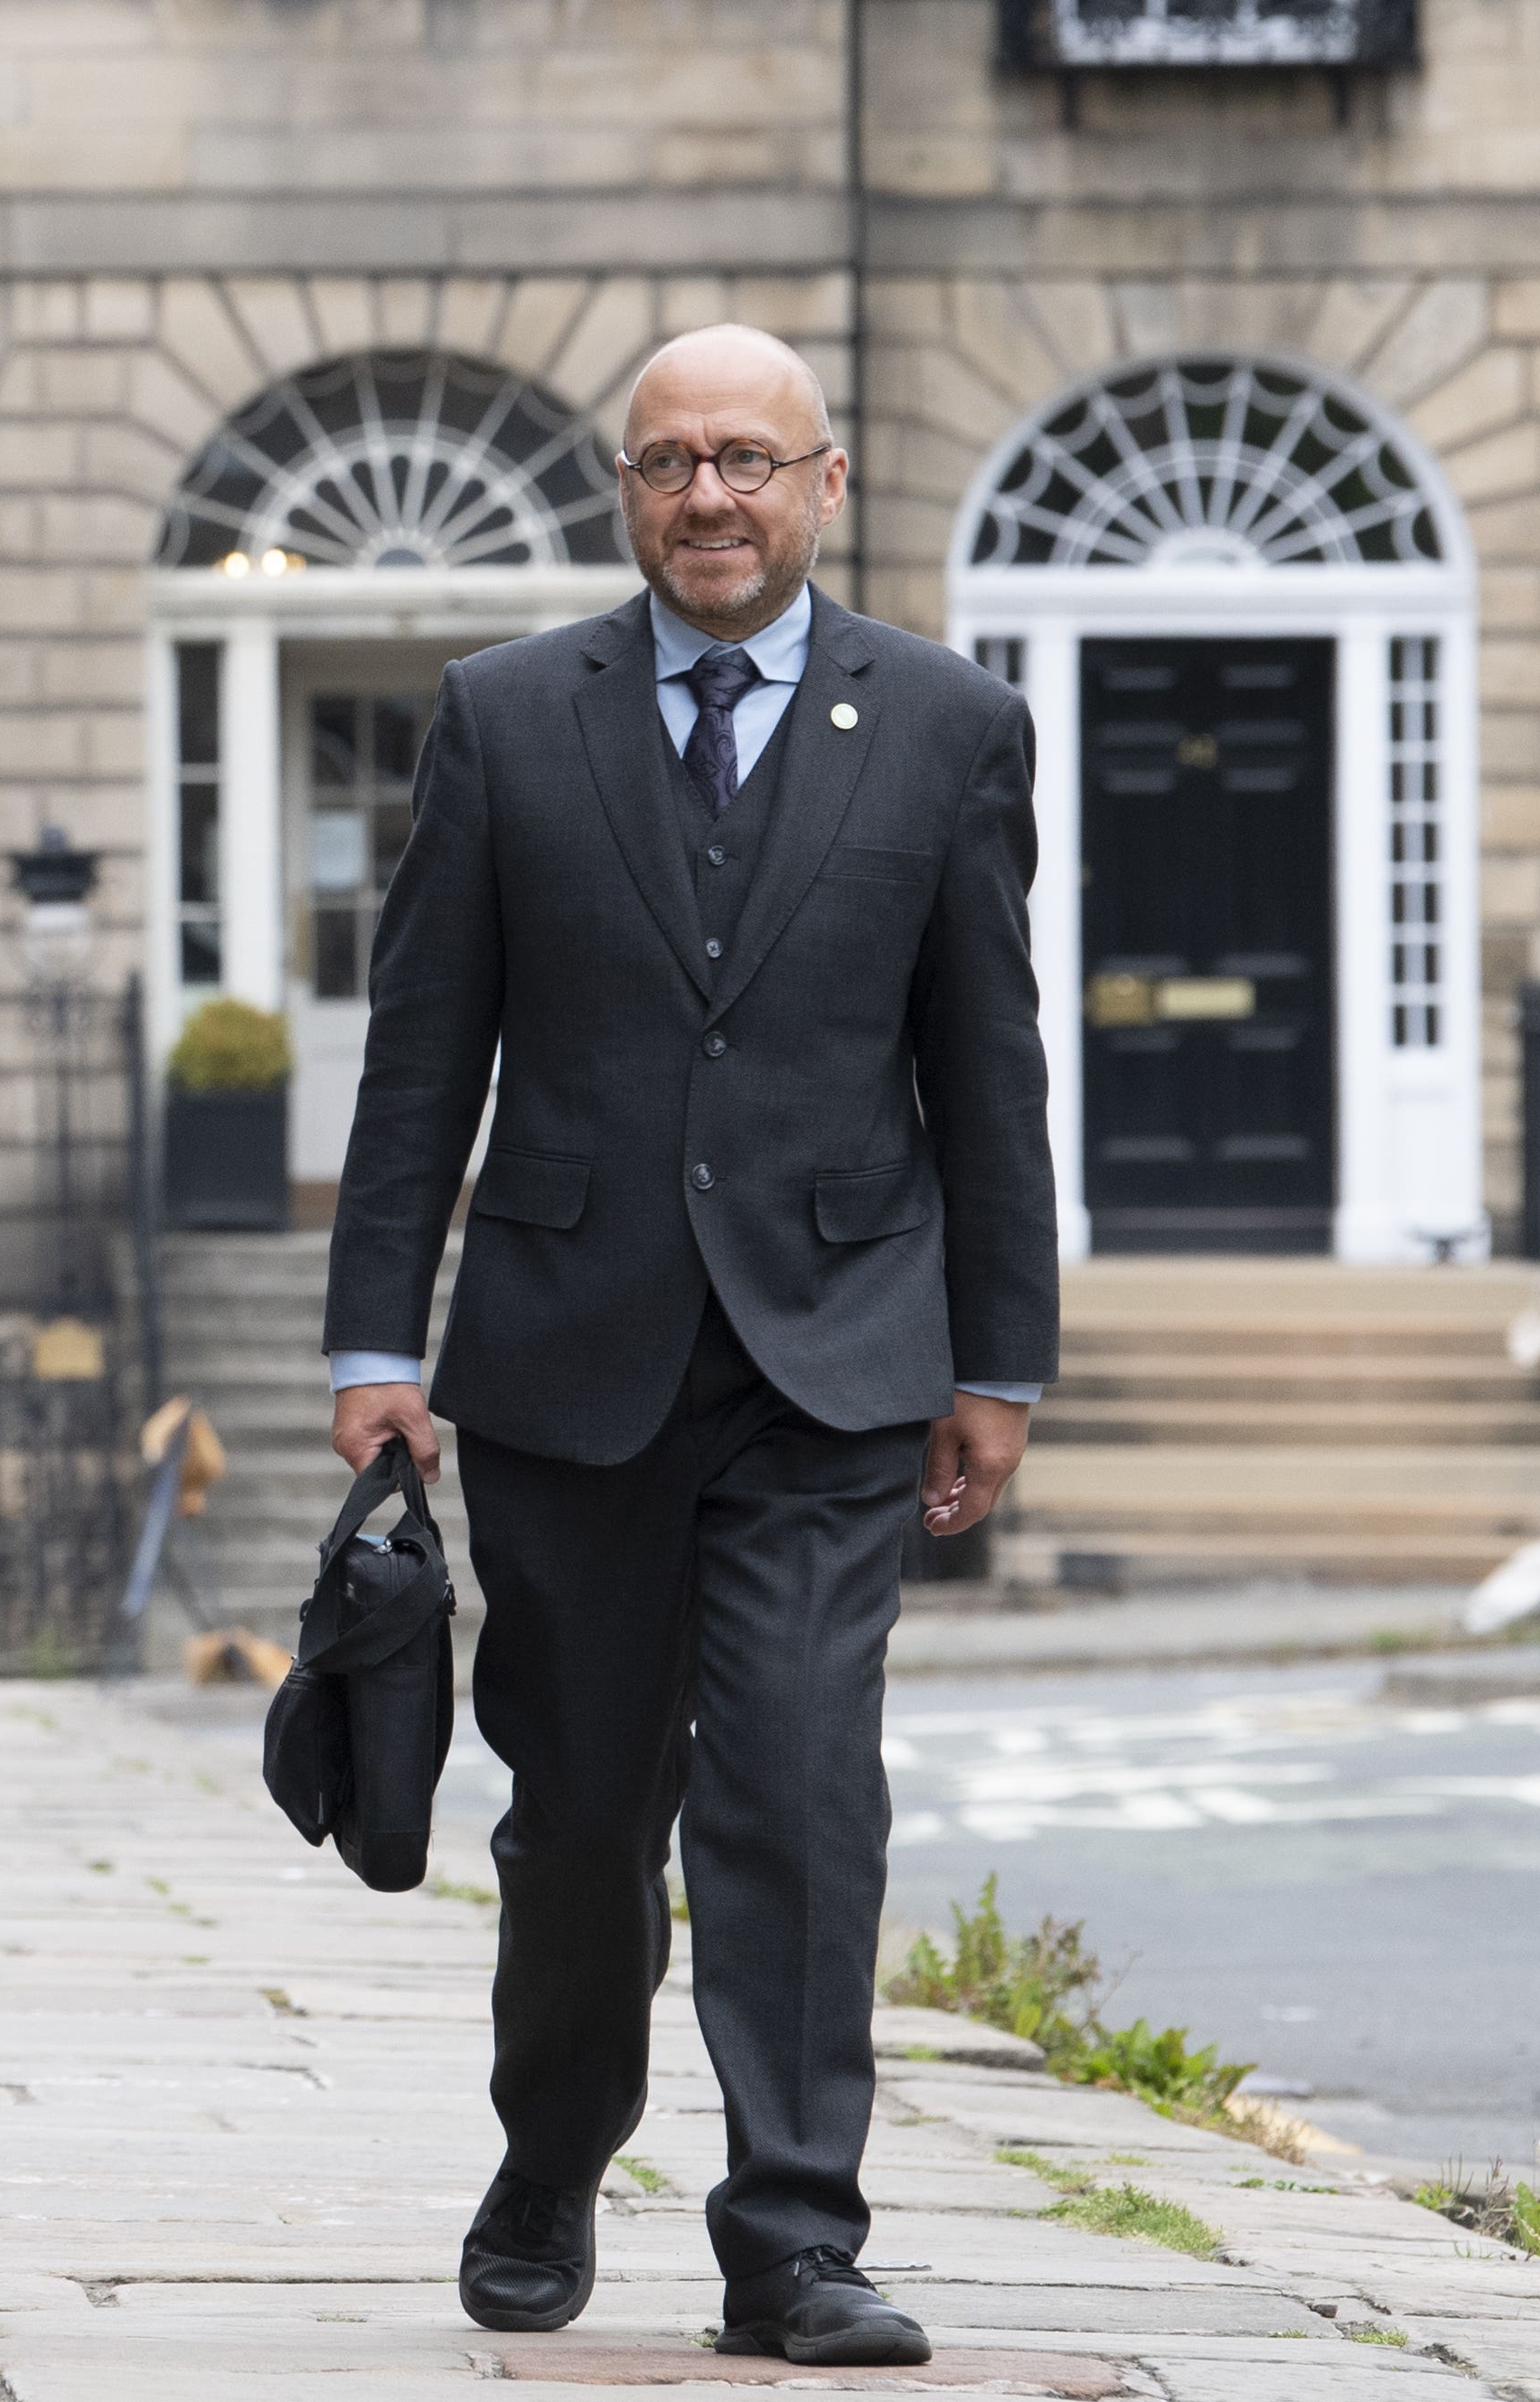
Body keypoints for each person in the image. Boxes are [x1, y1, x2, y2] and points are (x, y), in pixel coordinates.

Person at [321, 324, 1056, 2360]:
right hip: (568, 1357)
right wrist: (371, 1338)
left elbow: (988, 1067)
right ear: (621, 493)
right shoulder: (499, 718)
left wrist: (999, 1357)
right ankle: (551, 2152)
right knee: (575, 1813)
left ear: (824, 485)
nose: (706, 496)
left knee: (804, 1790)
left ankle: (793, 2234)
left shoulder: (943, 724)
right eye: (667, 463)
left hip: (833, 1358)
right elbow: (417, 1059)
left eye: (746, 459)